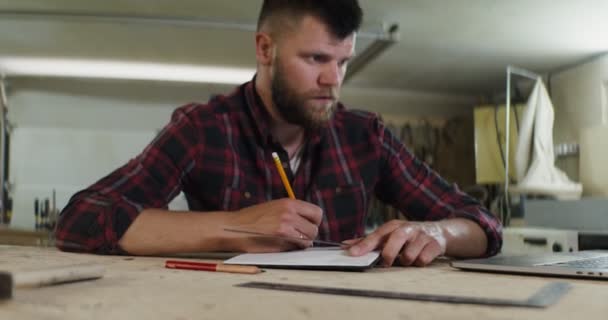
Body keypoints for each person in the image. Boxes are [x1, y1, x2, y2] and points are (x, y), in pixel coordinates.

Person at [55, 0, 502, 267]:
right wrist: (234, 228)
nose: (334, 80)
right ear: (265, 49)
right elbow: (81, 219)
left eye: (343, 62)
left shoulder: (367, 136)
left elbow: (482, 224)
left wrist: (438, 234)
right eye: (315, 59)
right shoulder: (203, 129)